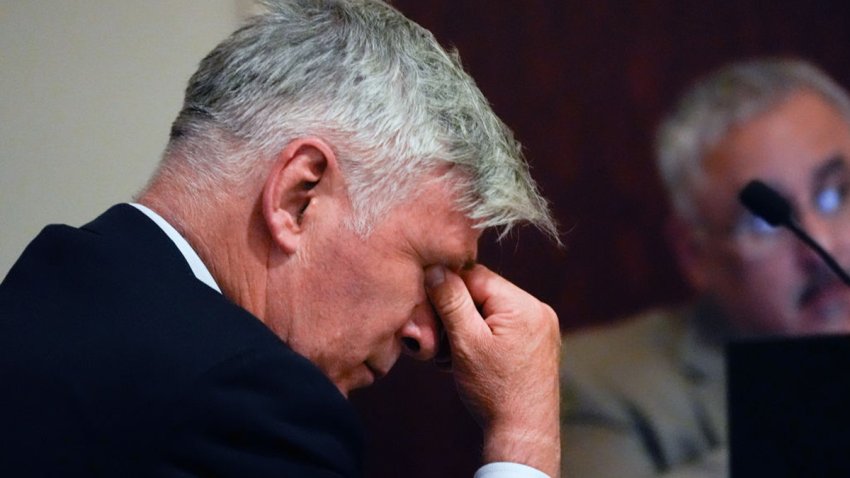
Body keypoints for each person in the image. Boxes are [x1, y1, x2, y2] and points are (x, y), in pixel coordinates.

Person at [0, 1, 562, 476]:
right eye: (429, 270)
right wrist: (524, 434)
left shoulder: (50, 275)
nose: (427, 336)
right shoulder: (247, 406)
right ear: (300, 194)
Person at [560, 57, 850, 477]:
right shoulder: (597, 382)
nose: (819, 245)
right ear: (694, 256)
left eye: (836, 196)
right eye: (764, 220)